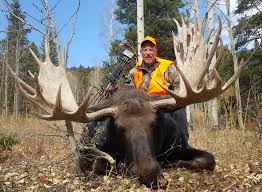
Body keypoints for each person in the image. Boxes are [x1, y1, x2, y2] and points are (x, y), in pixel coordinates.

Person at [129, 35, 189, 140]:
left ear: (155, 52)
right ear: (141, 52)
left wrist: (169, 102)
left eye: (151, 50)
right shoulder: (134, 71)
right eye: (145, 50)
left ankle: (182, 143)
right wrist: (116, 90)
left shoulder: (168, 67)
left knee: (179, 110)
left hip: (165, 106)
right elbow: (129, 91)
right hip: (143, 109)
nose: (148, 53)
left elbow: (179, 88)